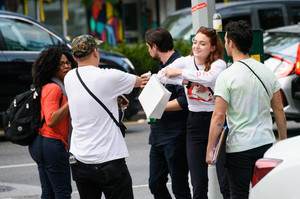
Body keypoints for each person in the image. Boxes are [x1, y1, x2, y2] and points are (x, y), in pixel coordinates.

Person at [206, 20, 287, 199]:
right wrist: (282, 139)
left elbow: (218, 116)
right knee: (266, 193)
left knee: (239, 194)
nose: (225, 43)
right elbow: (279, 109)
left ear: (231, 43)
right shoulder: (266, 71)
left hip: (239, 148)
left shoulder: (226, 76)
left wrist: (210, 148)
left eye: (226, 40)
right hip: (265, 144)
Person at [64, 34, 142, 199]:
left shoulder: (70, 77)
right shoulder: (110, 76)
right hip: (109, 159)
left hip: (80, 160)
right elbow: (139, 81)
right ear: (95, 52)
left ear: (74, 56)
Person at [158, 26, 230, 199]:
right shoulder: (186, 61)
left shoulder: (218, 64)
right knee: (198, 185)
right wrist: (186, 80)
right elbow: (161, 75)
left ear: (212, 48)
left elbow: (209, 78)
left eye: (202, 44)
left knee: (225, 181)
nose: (196, 46)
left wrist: (180, 74)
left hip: (217, 121)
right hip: (194, 124)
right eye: (195, 42)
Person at [141, 27, 192, 199]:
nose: (148, 51)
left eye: (148, 47)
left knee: (180, 188)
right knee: (155, 184)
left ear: (154, 46)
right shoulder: (161, 67)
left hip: (175, 137)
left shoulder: (179, 65)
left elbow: (185, 101)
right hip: (158, 136)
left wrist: (158, 106)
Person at [29, 47, 74, 198]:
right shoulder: (54, 88)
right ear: (52, 67)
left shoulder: (54, 86)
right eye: (61, 64)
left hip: (42, 145)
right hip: (52, 145)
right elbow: (51, 119)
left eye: (68, 62)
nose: (67, 66)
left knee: (48, 193)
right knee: (62, 193)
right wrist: (71, 102)